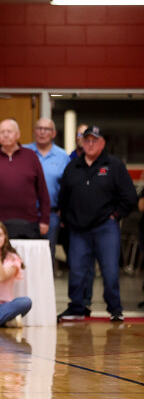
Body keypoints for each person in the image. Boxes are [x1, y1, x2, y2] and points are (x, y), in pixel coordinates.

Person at [57, 126, 137, 322]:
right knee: (77, 270)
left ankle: (115, 309)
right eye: (87, 140)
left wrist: (116, 215)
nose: (90, 144)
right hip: (78, 229)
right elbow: (63, 197)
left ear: (102, 143)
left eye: (94, 140)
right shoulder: (73, 166)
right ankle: (77, 307)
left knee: (109, 269)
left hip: (105, 227)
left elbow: (129, 197)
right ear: (82, 143)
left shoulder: (114, 165)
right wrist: (67, 219)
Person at [0, 119, 50, 239]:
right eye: (2, 132)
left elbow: (42, 191)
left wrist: (45, 220)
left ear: (18, 134)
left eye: (9, 131)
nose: (6, 135)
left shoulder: (31, 156)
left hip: (29, 223)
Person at [24, 118, 71, 275]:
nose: (42, 132)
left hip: (52, 215)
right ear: (34, 131)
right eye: (39, 128)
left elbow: (68, 187)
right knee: (24, 257)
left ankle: (45, 290)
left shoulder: (63, 156)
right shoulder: (24, 153)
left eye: (47, 129)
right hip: (25, 214)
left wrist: (63, 212)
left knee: (47, 257)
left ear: (54, 133)